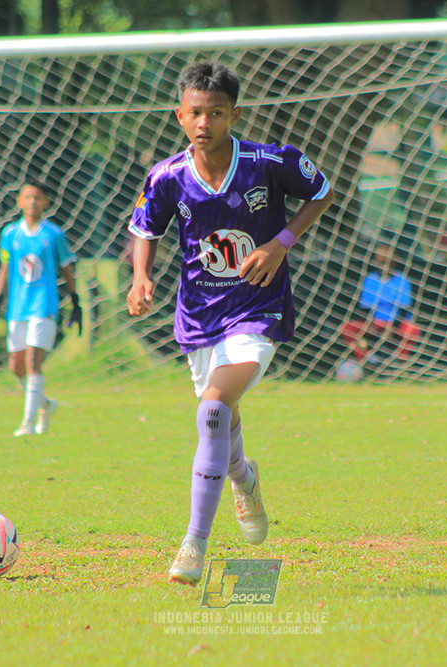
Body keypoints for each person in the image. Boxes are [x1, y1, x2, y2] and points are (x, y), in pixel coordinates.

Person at [126, 61, 335, 586]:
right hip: (198, 318)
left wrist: (278, 244)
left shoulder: (269, 162)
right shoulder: (168, 175)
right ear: (180, 115)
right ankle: (243, 478)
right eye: (195, 113)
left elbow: (322, 191)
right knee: (218, 415)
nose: (205, 123)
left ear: (234, 114)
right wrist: (140, 276)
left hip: (256, 311)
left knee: (215, 406)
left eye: (216, 113)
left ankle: (193, 545)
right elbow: (144, 228)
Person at [0, 180, 81, 437]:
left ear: (46, 203)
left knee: (32, 361)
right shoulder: (10, 234)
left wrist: (76, 301)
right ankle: (46, 405)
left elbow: (66, 269)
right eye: (27, 197)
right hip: (17, 307)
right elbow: (5, 268)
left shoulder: (53, 234)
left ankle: (28, 423)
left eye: (37, 197)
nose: (32, 202)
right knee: (15, 366)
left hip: (44, 305)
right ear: (19, 201)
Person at [340, 243, 420, 365]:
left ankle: (399, 362)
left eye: (387, 260)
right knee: (348, 328)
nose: (384, 264)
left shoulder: (402, 280)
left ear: (394, 261)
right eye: (380, 260)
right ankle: (367, 360)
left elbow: (404, 309)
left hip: (396, 322)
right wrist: (369, 324)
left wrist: (393, 326)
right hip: (374, 322)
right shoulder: (370, 279)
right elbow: (365, 308)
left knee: (413, 331)